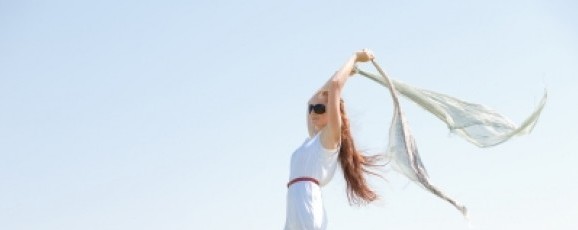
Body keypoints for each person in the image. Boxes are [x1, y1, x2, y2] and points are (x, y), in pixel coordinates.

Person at [284, 49, 383, 230]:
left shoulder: (330, 137)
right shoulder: (313, 139)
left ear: (332, 113)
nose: (313, 111)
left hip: (307, 204)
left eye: (320, 109)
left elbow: (336, 85)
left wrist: (354, 59)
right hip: (295, 206)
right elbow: (311, 100)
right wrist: (337, 77)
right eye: (313, 109)